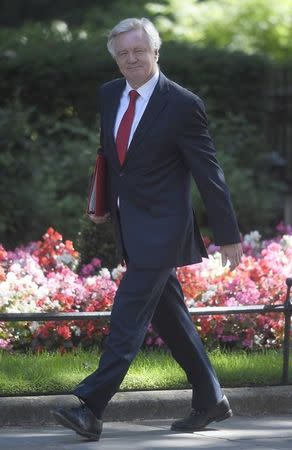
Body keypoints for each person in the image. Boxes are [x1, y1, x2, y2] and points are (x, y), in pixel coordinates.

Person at [52, 17, 243, 442]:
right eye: (123, 53)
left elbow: (208, 173)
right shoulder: (109, 94)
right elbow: (108, 154)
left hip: (164, 229)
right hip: (129, 225)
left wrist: (228, 234)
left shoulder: (182, 104)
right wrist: (99, 202)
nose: (131, 59)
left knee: (128, 316)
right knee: (171, 317)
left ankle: (90, 407)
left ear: (156, 52)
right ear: (116, 59)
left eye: (139, 51)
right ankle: (211, 399)